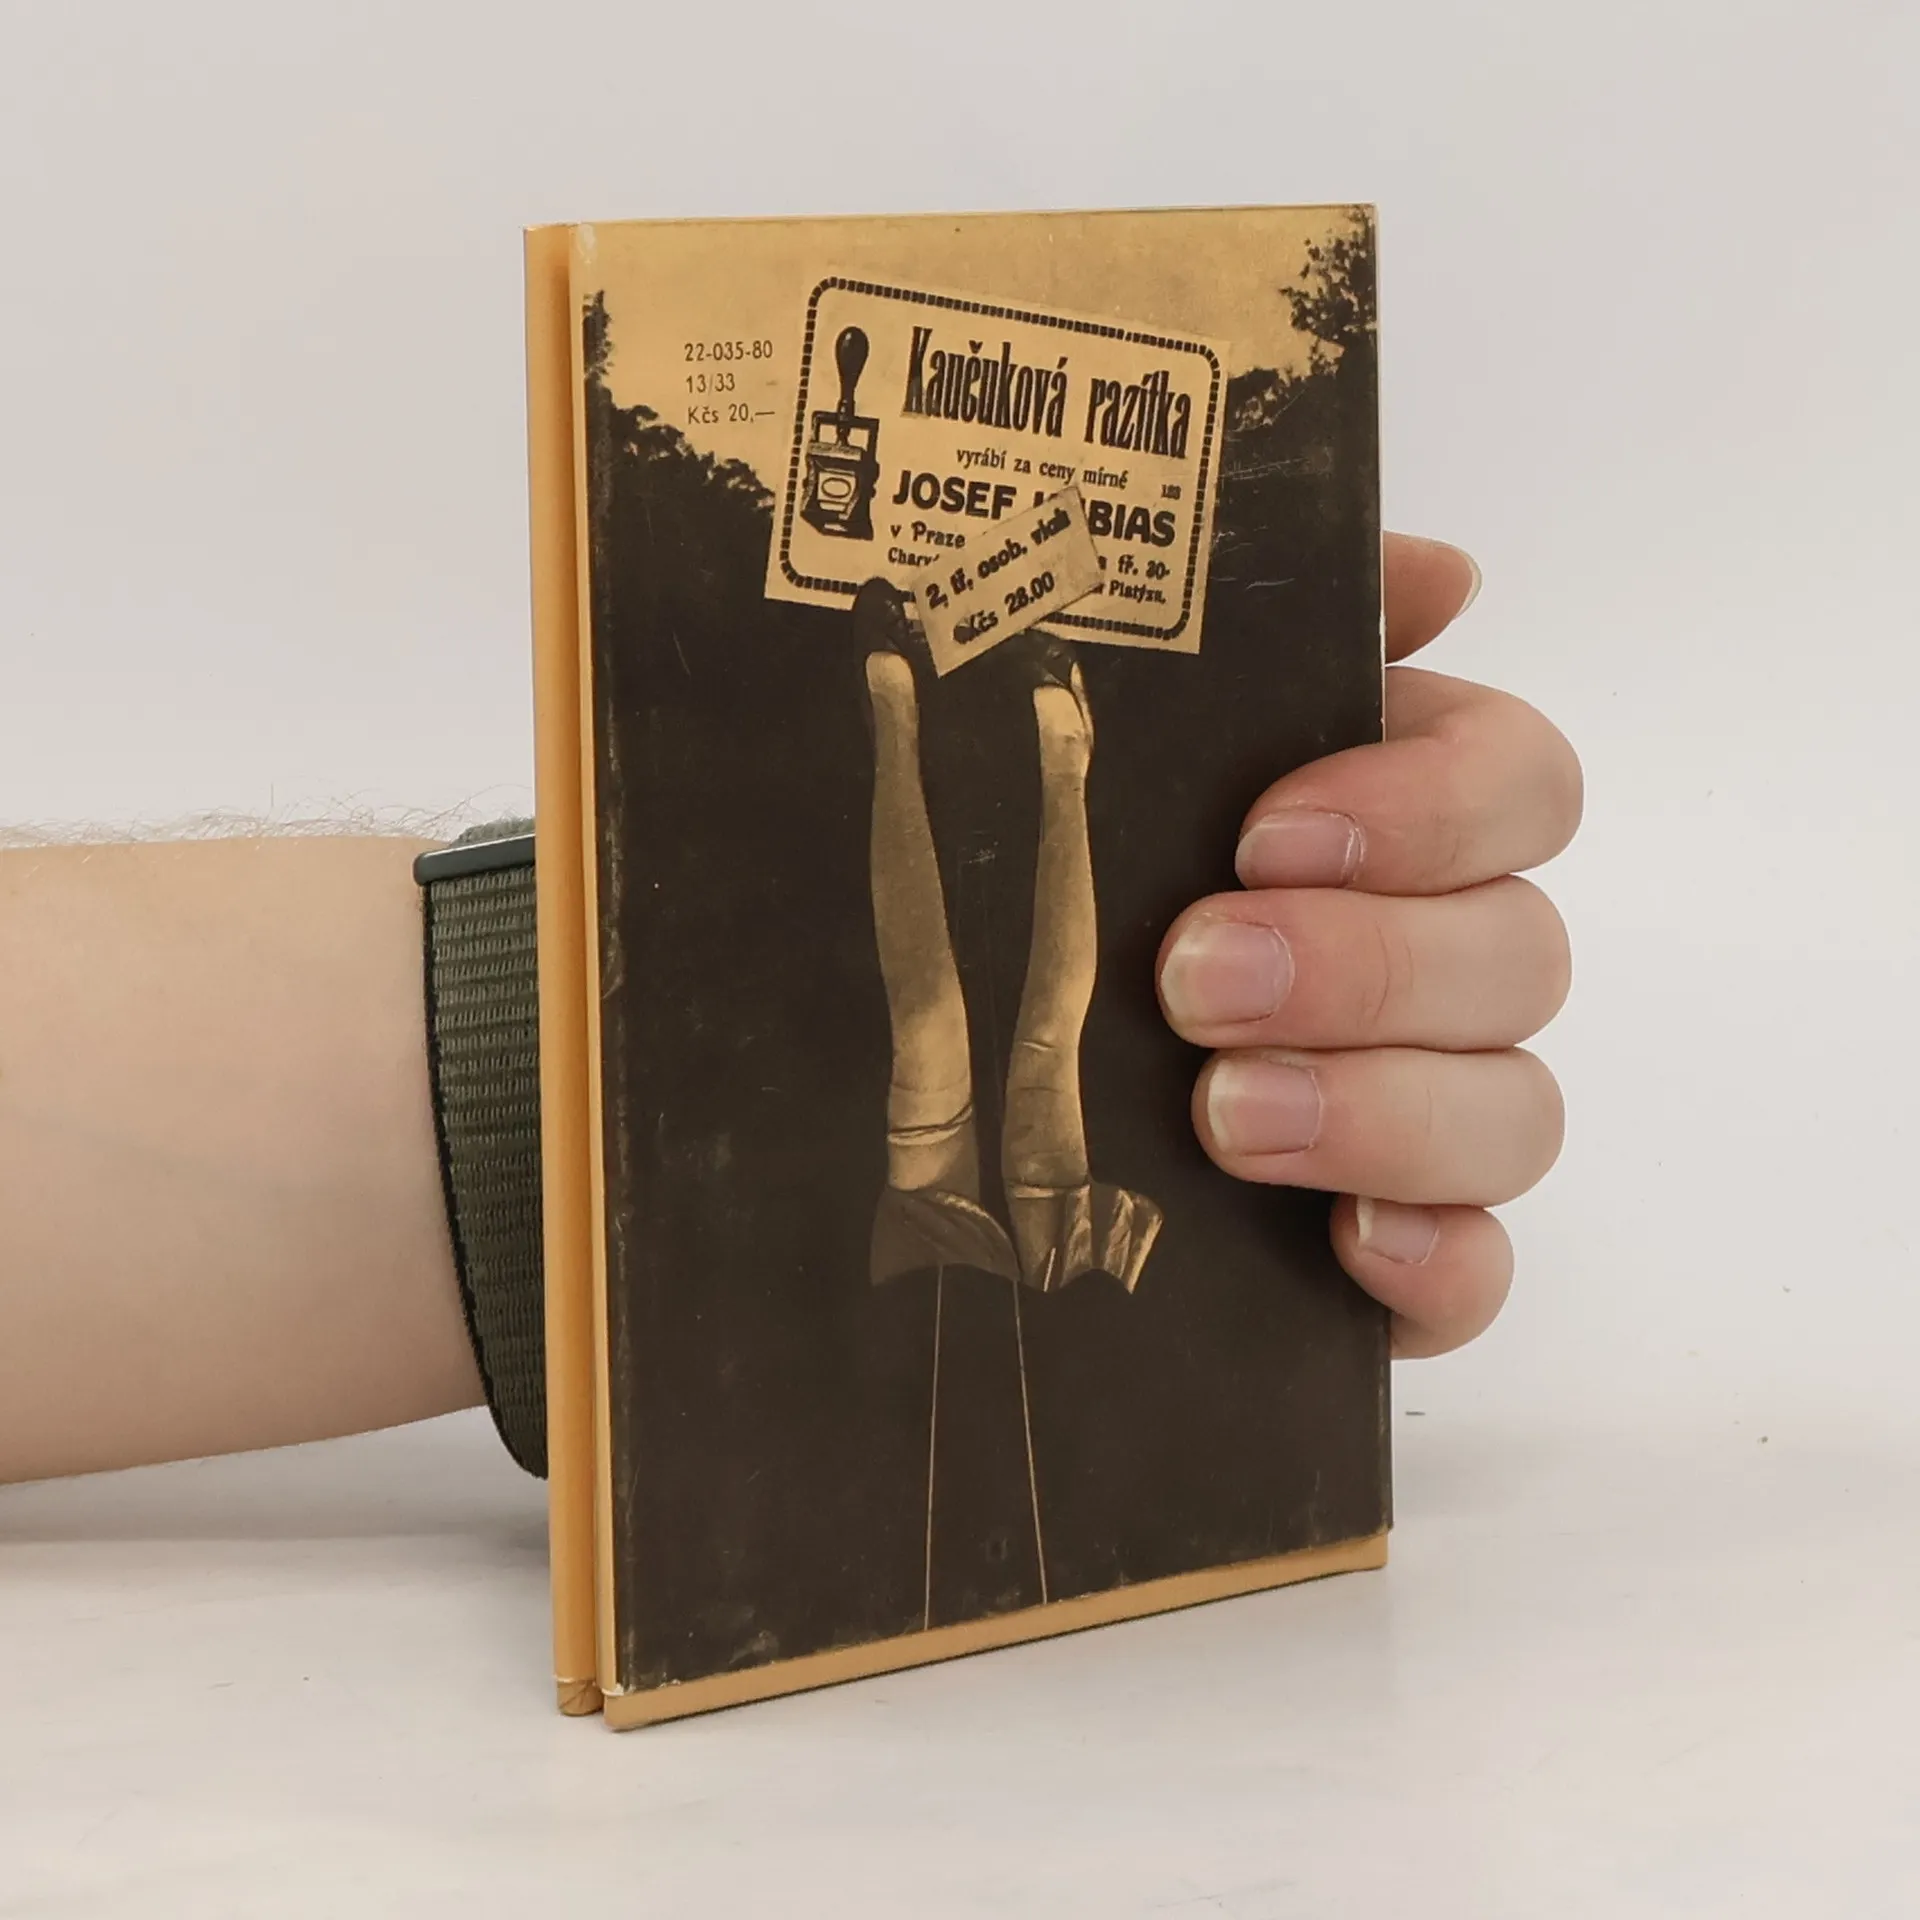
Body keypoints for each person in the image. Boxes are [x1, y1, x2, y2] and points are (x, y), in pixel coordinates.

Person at [0, 535, 1579, 1487]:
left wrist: (577, 1039)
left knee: (1001, 1029)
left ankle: (998, 742)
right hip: (937, 1258)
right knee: (1002, 1029)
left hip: (911, 1252)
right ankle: (1003, 743)